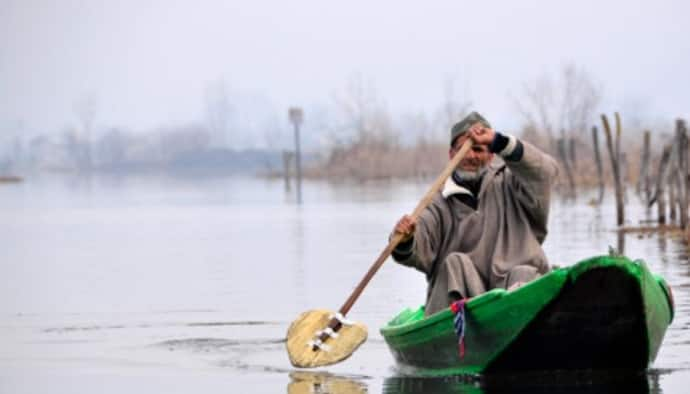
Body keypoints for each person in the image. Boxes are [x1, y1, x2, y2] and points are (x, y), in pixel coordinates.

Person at [392, 111, 558, 316]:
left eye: (478, 149)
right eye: (463, 150)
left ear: (491, 155)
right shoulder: (436, 202)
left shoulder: (512, 184)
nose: (470, 156)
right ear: (451, 155)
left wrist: (498, 141)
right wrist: (405, 238)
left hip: (514, 296)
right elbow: (418, 249)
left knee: (524, 272)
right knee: (455, 263)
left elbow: (545, 173)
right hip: (463, 307)